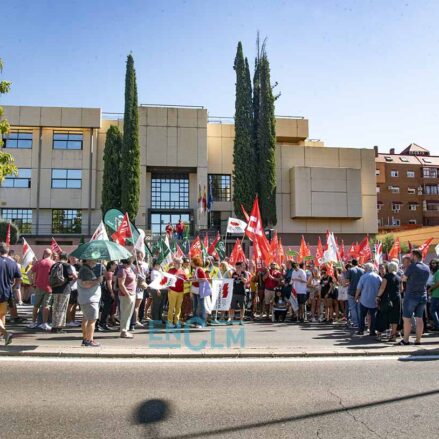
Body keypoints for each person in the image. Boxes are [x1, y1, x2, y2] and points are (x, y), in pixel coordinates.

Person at [398, 249, 430, 345]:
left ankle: (406, 340)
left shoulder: (413, 266)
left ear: (415, 256)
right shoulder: (426, 267)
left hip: (411, 295)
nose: (410, 257)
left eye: (411, 255)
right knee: (419, 318)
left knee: (406, 318)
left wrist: (404, 275)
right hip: (422, 295)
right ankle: (418, 340)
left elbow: (403, 278)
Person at [77, 259, 103, 347]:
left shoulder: (84, 269)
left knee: (86, 319)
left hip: (87, 299)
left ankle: (86, 339)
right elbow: (86, 284)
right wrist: (98, 280)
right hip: (90, 299)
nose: (95, 262)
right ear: (88, 260)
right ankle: (89, 340)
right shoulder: (85, 270)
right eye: (94, 260)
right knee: (92, 320)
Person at [0, 243, 21, 345]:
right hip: (6, 293)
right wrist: (13, 287)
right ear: (7, 252)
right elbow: (19, 278)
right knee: (1, 316)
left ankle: (5, 334)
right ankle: (2, 336)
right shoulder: (13, 263)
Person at [28, 248, 55, 331]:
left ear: (44, 254)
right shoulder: (53, 263)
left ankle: (33, 322)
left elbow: (29, 273)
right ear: (51, 255)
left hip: (39, 287)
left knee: (36, 305)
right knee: (46, 306)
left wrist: (32, 282)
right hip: (50, 287)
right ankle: (44, 323)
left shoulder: (39, 262)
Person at [375, 262, 401, 342]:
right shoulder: (399, 277)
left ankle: (379, 334)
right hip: (397, 298)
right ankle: (393, 336)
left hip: (387, 298)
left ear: (389, 268)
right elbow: (401, 289)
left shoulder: (386, 277)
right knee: (395, 317)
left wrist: (377, 296)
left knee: (382, 315)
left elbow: (382, 288)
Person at [50, 252, 76, 333]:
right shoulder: (67, 265)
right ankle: (59, 327)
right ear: (67, 258)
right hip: (64, 289)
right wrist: (74, 276)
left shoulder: (54, 265)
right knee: (62, 308)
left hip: (55, 289)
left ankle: (54, 326)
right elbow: (70, 277)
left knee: (55, 308)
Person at [355, 263, 381, 336]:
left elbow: (359, 288)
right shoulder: (378, 277)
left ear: (366, 269)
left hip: (364, 300)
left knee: (362, 316)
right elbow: (381, 287)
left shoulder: (363, 277)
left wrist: (356, 296)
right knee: (373, 316)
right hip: (374, 300)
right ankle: (372, 331)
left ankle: (361, 330)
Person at [118, 258, 137, 338]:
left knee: (128, 314)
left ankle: (125, 330)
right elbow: (121, 284)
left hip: (132, 294)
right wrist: (128, 294)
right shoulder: (122, 270)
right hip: (126, 295)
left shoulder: (130, 269)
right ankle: (123, 331)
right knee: (125, 314)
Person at [167, 258, 188, 327]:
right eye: (177, 263)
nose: (178, 264)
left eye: (179, 263)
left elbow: (186, 280)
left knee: (178, 308)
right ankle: (170, 322)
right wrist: (168, 287)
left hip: (181, 291)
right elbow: (166, 280)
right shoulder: (170, 270)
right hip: (172, 291)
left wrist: (189, 280)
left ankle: (176, 321)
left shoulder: (182, 271)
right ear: (174, 263)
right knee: (171, 307)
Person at [131, 251, 149, 331]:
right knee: (135, 307)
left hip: (138, 289)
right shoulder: (134, 269)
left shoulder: (136, 268)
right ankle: (135, 321)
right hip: (136, 288)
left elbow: (146, 274)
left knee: (136, 306)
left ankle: (134, 321)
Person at [191, 256, 209, 327]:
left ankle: (202, 322)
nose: (191, 263)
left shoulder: (199, 270)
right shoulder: (196, 269)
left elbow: (204, 279)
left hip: (199, 290)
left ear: (195, 262)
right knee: (195, 306)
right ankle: (196, 322)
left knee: (200, 306)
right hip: (196, 290)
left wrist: (195, 280)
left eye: (192, 261)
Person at [345, 259, 364, 328]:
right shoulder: (362, 270)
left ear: (352, 264)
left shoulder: (350, 270)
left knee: (352, 308)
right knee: (359, 307)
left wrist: (347, 283)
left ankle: (356, 323)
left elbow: (347, 281)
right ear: (358, 263)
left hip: (351, 291)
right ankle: (360, 322)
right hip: (360, 291)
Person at [98, 261, 117, 331]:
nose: (116, 266)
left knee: (107, 309)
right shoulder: (109, 273)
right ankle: (102, 323)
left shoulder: (110, 273)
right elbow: (109, 284)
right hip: (108, 293)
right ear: (111, 265)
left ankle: (103, 323)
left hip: (107, 293)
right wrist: (112, 292)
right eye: (115, 265)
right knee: (106, 309)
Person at [66, 257, 81, 327]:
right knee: (70, 306)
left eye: (75, 258)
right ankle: (69, 321)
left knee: (74, 306)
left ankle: (72, 320)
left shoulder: (73, 267)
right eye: (73, 258)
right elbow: (74, 277)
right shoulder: (70, 266)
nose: (75, 259)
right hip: (71, 288)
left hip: (75, 288)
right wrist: (79, 275)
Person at [428, 259, 439, 331]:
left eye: (434, 263)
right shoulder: (435, 272)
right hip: (435, 294)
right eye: (431, 263)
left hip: (436, 294)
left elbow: (438, 283)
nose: (432, 265)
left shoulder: (438, 272)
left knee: (432, 310)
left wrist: (430, 289)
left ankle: (438, 325)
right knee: (436, 311)